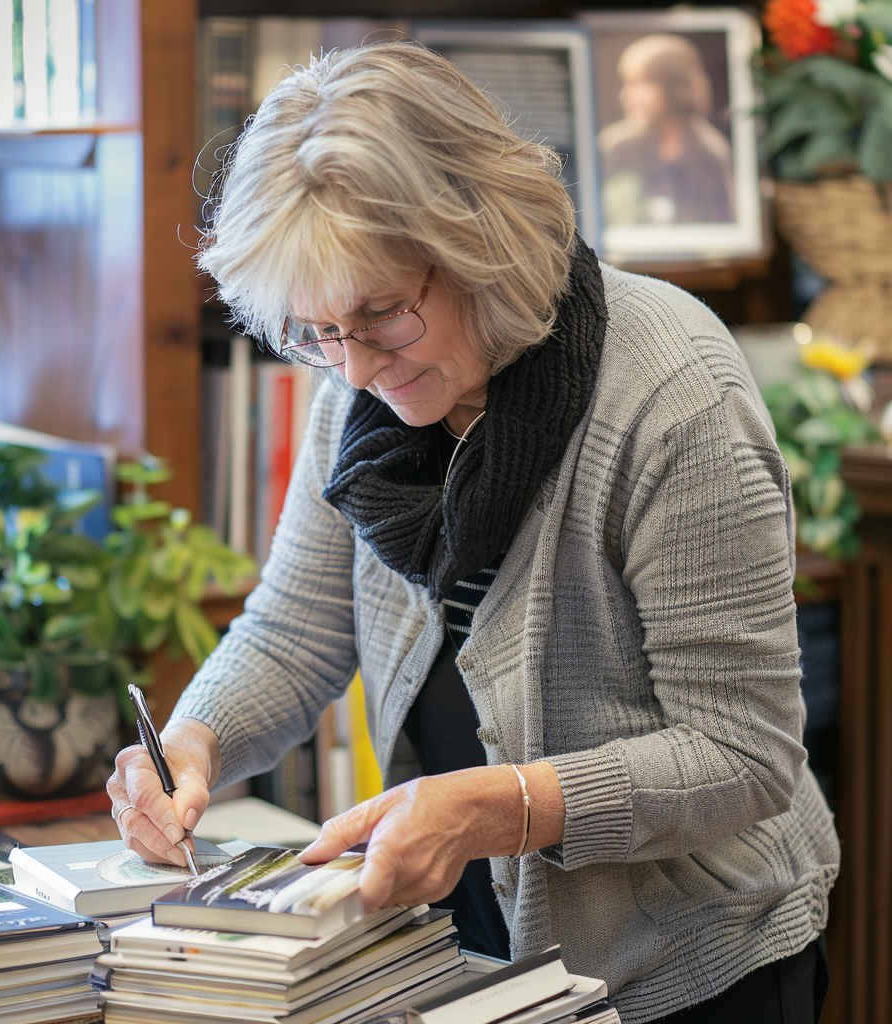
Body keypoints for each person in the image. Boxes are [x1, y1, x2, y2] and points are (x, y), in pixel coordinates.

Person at [108, 42, 838, 1023]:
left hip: (690, 962)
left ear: (480, 243)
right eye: (312, 331)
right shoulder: (353, 393)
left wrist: (500, 805)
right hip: (475, 950)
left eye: (382, 314)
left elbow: (742, 755)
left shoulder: (673, 399)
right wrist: (193, 741)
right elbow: (295, 626)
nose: (352, 367)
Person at [597, 34, 735, 226]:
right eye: (626, 83)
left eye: (642, 82)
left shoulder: (712, 152)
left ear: (676, 86)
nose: (626, 95)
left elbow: (723, 226)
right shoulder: (612, 148)